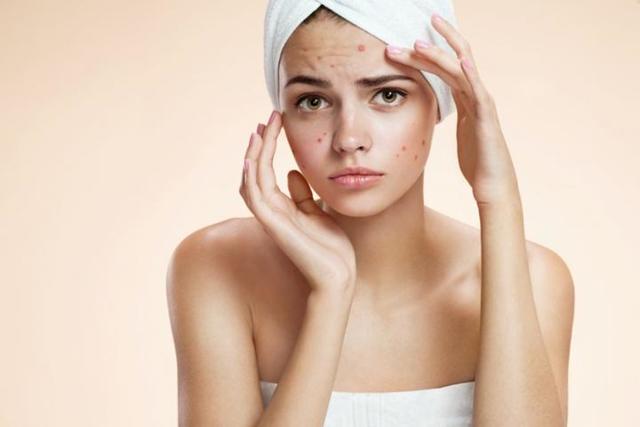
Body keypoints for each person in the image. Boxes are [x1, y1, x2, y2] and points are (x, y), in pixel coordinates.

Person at [166, 2, 574, 426]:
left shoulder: (533, 277)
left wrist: (499, 200)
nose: (349, 138)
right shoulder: (217, 266)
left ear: (442, 100)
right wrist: (331, 296)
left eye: (387, 94)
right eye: (312, 101)